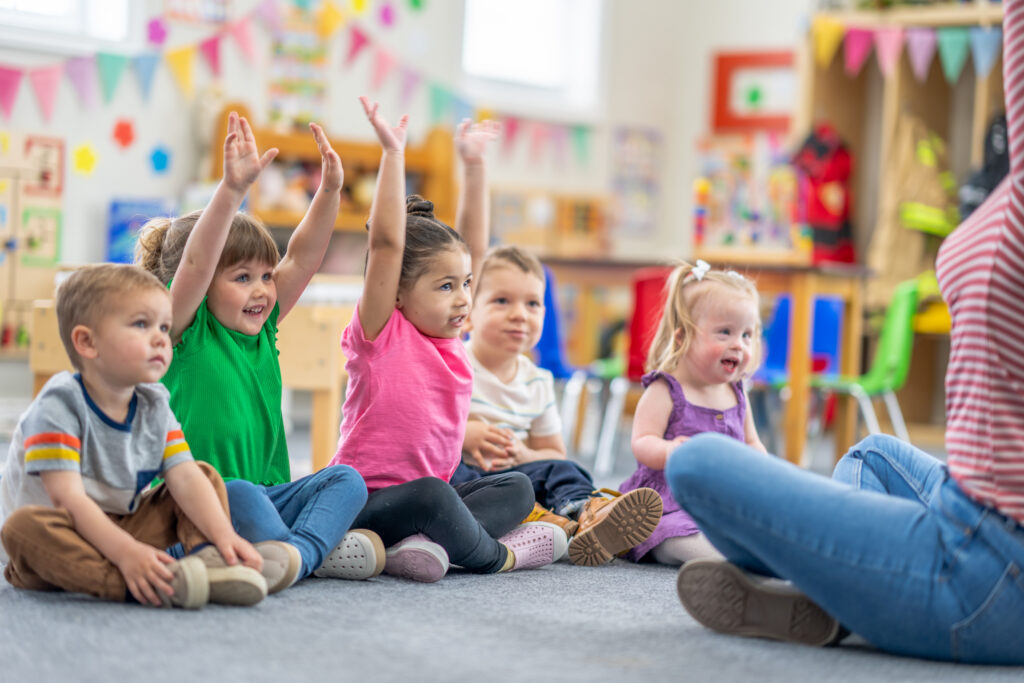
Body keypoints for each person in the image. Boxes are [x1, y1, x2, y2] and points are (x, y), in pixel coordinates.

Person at [668, 1, 1024, 664]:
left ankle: (845, 595)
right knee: (873, 455)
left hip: (988, 569)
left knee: (695, 461)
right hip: (977, 509)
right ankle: (851, 592)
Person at [136, 112, 379, 589]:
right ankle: (305, 549)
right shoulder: (183, 329)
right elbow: (198, 262)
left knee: (346, 479)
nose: (263, 290)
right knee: (241, 496)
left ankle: (293, 553)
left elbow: (302, 258)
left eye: (265, 276)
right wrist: (231, 189)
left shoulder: (263, 328)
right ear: (204, 288)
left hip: (268, 496)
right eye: (242, 277)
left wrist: (328, 193)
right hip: (194, 501)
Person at [328, 98, 567, 582]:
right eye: (444, 287)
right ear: (395, 293)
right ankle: (496, 556)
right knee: (433, 498)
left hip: (432, 496)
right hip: (366, 502)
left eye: (465, 285)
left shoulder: (453, 339)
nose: (463, 299)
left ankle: (426, 547)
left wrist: (475, 167)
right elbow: (387, 245)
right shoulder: (381, 334)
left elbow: (473, 248)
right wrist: (393, 156)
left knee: (518, 488)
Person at [0, 264, 270, 608]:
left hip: (123, 525)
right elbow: (68, 500)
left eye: (164, 326)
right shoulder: (59, 404)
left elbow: (184, 477)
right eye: (141, 324)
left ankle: (211, 564)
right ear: (87, 342)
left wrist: (225, 537)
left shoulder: (154, 402)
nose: (160, 338)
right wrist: (127, 554)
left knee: (202, 473)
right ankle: (135, 584)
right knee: (20, 528)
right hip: (60, 538)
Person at [453, 245, 662, 566]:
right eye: (501, 301)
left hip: (515, 474)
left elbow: (552, 453)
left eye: (533, 304)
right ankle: (537, 519)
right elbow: (424, 428)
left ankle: (587, 513)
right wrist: (465, 433)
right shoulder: (454, 364)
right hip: (467, 478)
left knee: (565, 469)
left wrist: (525, 455)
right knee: (451, 474)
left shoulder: (537, 381)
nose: (520, 314)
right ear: (468, 313)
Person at [622, 259, 766, 567]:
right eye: (725, 332)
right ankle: (726, 562)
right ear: (682, 337)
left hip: (723, 501)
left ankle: (751, 555)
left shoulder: (736, 392)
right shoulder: (666, 390)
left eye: (747, 335)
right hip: (669, 504)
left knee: (766, 524)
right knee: (675, 535)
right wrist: (670, 451)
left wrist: (760, 466)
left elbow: (752, 442)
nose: (738, 345)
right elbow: (641, 441)